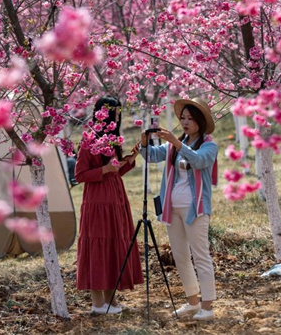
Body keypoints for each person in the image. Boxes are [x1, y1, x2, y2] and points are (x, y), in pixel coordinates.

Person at [140, 98, 218, 321]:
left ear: (200, 122)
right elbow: (151, 156)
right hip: (171, 208)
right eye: (182, 118)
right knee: (180, 256)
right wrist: (145, 143)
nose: (185, 122)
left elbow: (200, 161)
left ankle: (208, 307)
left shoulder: (208, 145)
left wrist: (177, 143)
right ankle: (193, 302)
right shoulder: (174, 146)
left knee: (200, 255)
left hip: (196, 209)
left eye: (190, 119)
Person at [75, 95, 144, 314]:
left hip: (115, 198)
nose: (114, 115)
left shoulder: (113, 137)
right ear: (100, 113)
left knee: (113, 246)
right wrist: (105, 170)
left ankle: (110, 301)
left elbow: (116, 171)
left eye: (116, 111)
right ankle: (97, 304)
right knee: (98, 247)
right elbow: (80, 174)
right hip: (97, 201)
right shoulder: (89, 139)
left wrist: (129, 160)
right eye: (110, 111)